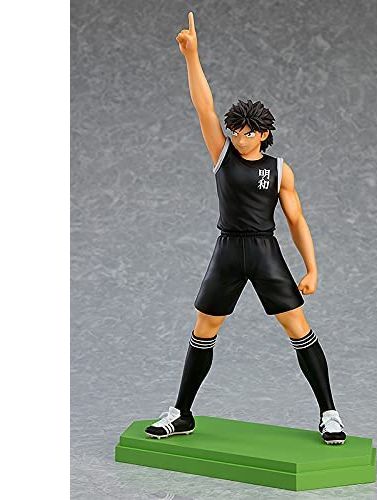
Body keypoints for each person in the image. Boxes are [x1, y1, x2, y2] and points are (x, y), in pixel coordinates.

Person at [145, 12, 346, 445]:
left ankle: (329, 413)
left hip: (264, 251)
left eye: (248, 132)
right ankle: (181, 412)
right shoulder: (222, 155)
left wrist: (312, 268)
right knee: (204, 329)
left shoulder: (280, 169)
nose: (239, 136)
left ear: (264, 134)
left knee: (298, 327)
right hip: (228, 250)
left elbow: (296, 219)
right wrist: (192, 56)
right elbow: (204, 106)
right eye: (235, 129)